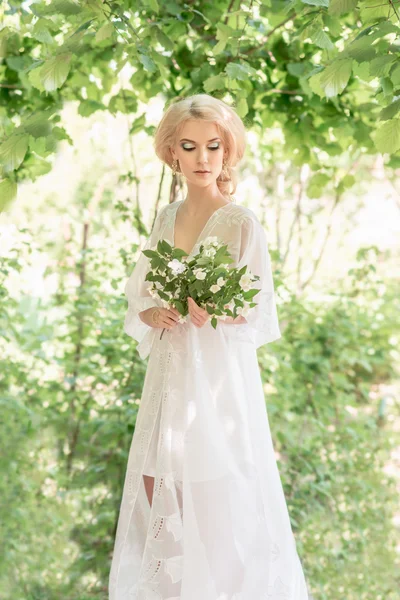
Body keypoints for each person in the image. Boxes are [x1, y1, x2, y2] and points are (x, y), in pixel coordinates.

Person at [109, 94, 309, 600]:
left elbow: (261, 313)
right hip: (167, 379)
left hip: (216, 387)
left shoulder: (242, 223)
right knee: (158, 491)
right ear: (172, 153)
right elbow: (141, 294)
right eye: (190, 147)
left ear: (227, 152)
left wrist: (215, 311)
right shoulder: (165, 218)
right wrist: (151, 312)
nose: (202, 159)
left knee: (217, 503)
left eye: (213, 147)